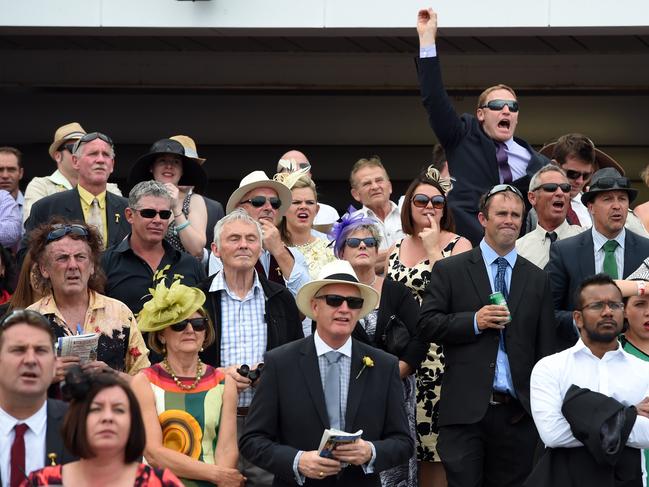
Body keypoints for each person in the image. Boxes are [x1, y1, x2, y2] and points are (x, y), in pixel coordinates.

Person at [418, 184, 555, 487]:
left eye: (516, 215)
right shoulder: (450, 270)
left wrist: (539, 411)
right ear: (482, 218)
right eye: (502, 213)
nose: (509, 220)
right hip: (465, 414)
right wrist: (475, 321)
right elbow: (427, 324)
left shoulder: (538, 279)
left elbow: (546, 352)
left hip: (518, 416)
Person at [239, 260, 414, 486]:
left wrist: (370, 451)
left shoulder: (384, 365)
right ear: (314, 307)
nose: (344, 309)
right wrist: (297, 461)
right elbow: (252, 440)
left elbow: (403, 443)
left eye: (353, 302)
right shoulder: (280, 363)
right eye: (334, 300)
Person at [415, 9, 549, 246]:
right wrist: (427, 41)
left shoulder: (537, 162)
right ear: (481, 114)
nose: (506, 110)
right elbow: (434, 99)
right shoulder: (461, 136)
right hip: (467, 245)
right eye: (497, 105)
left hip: (517, 248)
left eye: (512, 106)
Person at [200, 209, 304, 487]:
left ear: (261, 247)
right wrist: (219, 375)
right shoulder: (197, 298)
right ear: (216, 249)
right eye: (234, 239)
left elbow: (297, 360)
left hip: (267, 422)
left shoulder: (281, 298)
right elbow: (178, 361)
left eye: (250, 239)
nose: (244, 245)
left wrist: (272, 374)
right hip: (212, 419)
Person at [385, 165, 471, 487]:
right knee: (404, 448)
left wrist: (434, 247)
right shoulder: (397, 246)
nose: (429, 207)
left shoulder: (458, 245)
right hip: (401, 359)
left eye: (437, 202)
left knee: (433, 451)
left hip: (439, 360)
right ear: (408, 204)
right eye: (421, 200)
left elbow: (460, 296)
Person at [528, 274, 649, 487]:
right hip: (565, 480)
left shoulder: (643, 370)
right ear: (578, 318)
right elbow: (553, 434)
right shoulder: (550, 368)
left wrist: (583, 418)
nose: (608, 312)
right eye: (597, 306)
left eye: (615, 305)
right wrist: (628, 414)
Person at [331, 215, 426, 487]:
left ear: (377, 251)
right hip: (348, 393)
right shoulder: (331, 295)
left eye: (370, 242)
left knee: (395, 466)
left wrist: (400, 369)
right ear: (341, 251)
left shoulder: (397, 292)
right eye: (354, 242)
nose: (363, 246)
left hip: (397, 390)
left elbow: (421, 335)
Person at [131, 280, 244, 487]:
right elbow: (154, 453)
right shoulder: (144, 381)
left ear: (205, 332)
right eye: (179, 324)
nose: (190, 330)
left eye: (198, 324)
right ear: (162, 335)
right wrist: (217, 475)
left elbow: (227, 449)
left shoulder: (223, 383)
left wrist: (220, 479)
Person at [27, 221, 149, 382]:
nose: (73, 265)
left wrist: (113, 376)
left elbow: (147, 383)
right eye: (62, 258)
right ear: (44, 269)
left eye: (80, 257)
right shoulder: (30, 320)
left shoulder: (119, 313)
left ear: (92, 266)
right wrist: (44, 376)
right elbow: (8, 385)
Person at [24, 367, 183, 486]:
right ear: (78, 419)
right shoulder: (42, 482)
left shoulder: (162, 483)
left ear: (133, 423)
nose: (108, 417)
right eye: (96, 409)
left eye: (118, 410)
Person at [546, 167, 649, 351]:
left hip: (636, 357)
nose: (617, 206)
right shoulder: (564, 251)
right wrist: (584, 322)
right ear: (591, 207)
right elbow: (548, 312)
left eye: (622, 199)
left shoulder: (646, 249)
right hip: (582, 355)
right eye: (608, 199)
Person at [101, 181, 206, 318]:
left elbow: (204, 320)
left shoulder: (190, 265)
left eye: (164, 215)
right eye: (149, 213)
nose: (158, 220)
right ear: (129, 215)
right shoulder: (105, 263)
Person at [0, 309, 76, 487]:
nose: (30, 360)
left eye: (41, 350)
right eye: (18, 350)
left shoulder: (79, 426)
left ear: (55, 363)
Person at [23, 132, 131, 252]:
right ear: (75, 161)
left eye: (105, 154)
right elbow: (27, 255)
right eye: (93, 154)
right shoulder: (46, 207)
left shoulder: (129, 209)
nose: (100, 160)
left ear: (112, 165)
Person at [211, 170, 310, 298]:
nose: (269, 208)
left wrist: (279, 251)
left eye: (275, 203)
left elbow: (306, 299)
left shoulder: (293, 255)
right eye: (259, 201)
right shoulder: (225, 249)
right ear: (239, 209)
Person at [23, 122, 122, 225]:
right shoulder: (40, 185)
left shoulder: (110, 188)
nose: (78, 153)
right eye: (74, 148)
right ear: (58, 156)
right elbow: (35, 227)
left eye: (83, 149)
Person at [128, 138, 209, 259]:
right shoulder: (138, 198)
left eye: (176, 162)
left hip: (182, 273)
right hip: (143, 269)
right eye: (162, 161)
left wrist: (176, 209)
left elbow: (196, 249)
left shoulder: (194, 200)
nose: (169, 166)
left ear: (182, 171)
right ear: (152, 167)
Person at [516, 165, 583, 269]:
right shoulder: (518, 249)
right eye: (551, 188)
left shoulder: (587, 240)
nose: (560, 193)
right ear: (532, 197)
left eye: (565, 188)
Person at [275, 169, 336, 279]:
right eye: (296, 202)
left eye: (310, 202)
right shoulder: (271, 246)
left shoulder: (330, 249)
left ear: (316, 210)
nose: (303, 206)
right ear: (283, 210)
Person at [169, 135, 224, 249]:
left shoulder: (214, 208)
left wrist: (202, 256)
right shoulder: (148, 201)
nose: (186, 172)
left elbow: (222, 251)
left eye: (190, 167)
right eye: (179, 164)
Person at [350, 156, 403, 272]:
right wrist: (404, 250)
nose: (375, 186)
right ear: (356, 194)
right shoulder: (350, 224)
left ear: (389, 187)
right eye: (367, 183)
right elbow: (354, 267)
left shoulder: (409, 214)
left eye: (379, 180)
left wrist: (377, 259)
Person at [622, 279, 649, 486]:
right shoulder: (612, 351)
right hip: (629, 460)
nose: (648, 312)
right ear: (622, 310)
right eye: (640, 304)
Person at [276, 150, 340, 232]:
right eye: (290, 166)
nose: (298, 170)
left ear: (310, 175)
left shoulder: (329, 213)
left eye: (303, 166)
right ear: (279, 177)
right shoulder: (269, 209)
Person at [0, 147, 25, 218]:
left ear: (21, 173)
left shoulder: (34, 205)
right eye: (0, 170)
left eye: (11, 170)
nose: (5, 175)